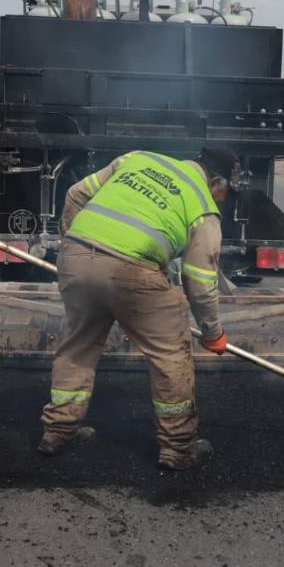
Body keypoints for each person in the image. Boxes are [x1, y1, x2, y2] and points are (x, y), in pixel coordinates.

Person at [38, 148, 238, 471]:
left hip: (75, 257)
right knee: (171, 351)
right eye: (225, 192)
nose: (222, 200)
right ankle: (177, 448)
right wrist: (213, 333)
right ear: (216, 181)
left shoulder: (139, 159)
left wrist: (75, 246)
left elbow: (76, 194)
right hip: (131, 271)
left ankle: (58, 430)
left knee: (78, 343)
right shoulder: (203, 205)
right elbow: (200, 282)